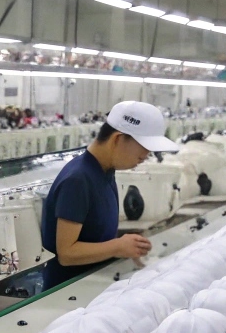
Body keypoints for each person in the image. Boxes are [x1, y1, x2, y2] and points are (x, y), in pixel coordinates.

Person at [40, 100, 179, 287]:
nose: (146, 156)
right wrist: (117, 247)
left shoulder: (104, 172)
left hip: (93, 281)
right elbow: (66, 254)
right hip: (67, 290)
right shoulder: (78, 179)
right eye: (144, 148)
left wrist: (127, 249)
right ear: (118, 139)